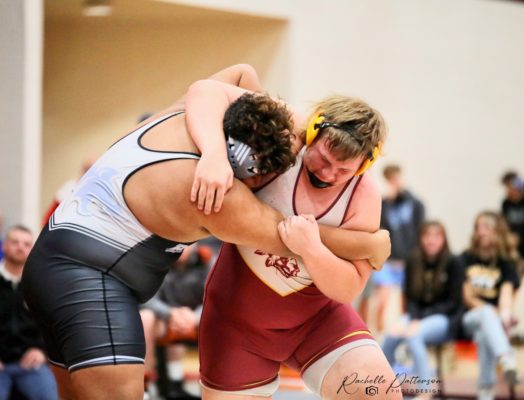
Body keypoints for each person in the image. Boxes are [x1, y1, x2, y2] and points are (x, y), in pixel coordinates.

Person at [22, 64, 390, 400]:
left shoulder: (187, 116)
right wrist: (370, 244)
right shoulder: (215, 194)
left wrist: (216, 148)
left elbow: (237, 76)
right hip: (88, 275)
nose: (326, 173)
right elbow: (290, 236)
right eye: (267, 180)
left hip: (55, 259)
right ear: (250, 173)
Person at [198, 94, 401, 400]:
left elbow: (348, 289)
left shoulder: (364, 193)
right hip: (237, 323)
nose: (328, 174)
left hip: (317, 321)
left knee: (380, 393)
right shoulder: (284, 137)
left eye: (344, 170)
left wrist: (313, 250)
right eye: (324, 159)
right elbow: (208, 91)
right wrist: (213, 153)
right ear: (313, 132)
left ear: (364, 165)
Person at [381, 221, 464, 399]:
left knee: (414, 335)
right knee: (391, 334)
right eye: (427, 235)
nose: (431, 240)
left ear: (444, 239)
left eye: (436, 236)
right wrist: (412, 319)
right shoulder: (413, 260)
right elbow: (410, 298)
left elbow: (454, 303)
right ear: (421, 238)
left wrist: (419, 321)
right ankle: (383, 385)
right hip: (416, 316)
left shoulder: (453, 262)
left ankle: (425, 390)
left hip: (444, 318)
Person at [461, 211, 520, 400]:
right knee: (486, 314)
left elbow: (506, 294)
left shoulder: (506, 263)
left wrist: (505, 314)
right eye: (478, 227)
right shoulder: (466, 258)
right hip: (467, 318)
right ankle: (506, 357)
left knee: (485, 333)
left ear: (497, 231)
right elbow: (467, 297)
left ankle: (485, 390)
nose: (481, 232)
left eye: (486, 227)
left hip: (490, 325)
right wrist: (493, 313)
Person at [141, 243, 211, 400]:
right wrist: (171, 313)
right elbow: (148, 298)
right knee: (145, 317)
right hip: (167, 318)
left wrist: (195, 317)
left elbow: (215, 296)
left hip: (199, 319)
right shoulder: (158, 261)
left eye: (188, 243)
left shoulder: (207, 261)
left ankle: (211, 387)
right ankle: (143, 387)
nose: (183, 246)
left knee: (221, 320)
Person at [0, 225, 57, 399]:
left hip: (31, 364)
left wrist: (43, 352)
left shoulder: (41, 284)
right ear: (4, 246)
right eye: (15, 242)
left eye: (26, 244)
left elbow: (53, 324)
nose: (20, 247)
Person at [367, 164, 425, 332]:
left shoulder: (414, 203)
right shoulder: (384, 204)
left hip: (409, 261)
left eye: (397, 178)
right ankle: (376, 333)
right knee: (382, 301)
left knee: (406, 302)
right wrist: (385, 201)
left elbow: (420, 226)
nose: (395, 183)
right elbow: (377, 226)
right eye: (391, 180)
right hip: (389, 260)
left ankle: (403, 332)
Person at [500, 171, 524, 292]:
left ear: (518, 185)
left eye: (510, 187)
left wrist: (520, 238)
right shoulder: (506, 204)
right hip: (517, 254)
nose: (508, 191)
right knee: (511, 287)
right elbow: (503, 225)